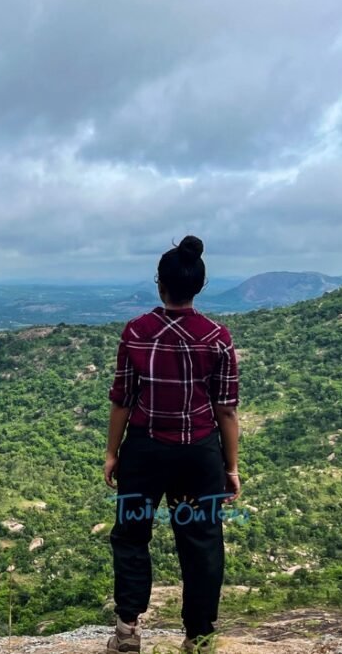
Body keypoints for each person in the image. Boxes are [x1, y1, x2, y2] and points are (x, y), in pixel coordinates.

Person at [103, 235, 241, 654]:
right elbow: (227, 411)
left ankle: (128, 632)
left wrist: (112, 453)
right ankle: (198, 638)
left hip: (144, 453)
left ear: (159, 283)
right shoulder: (217, 337)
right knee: (201, 542)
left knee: (131, 535)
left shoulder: (137, 332)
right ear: (199, 286)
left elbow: (122, 400)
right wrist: (230, 467)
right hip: (199, 455)